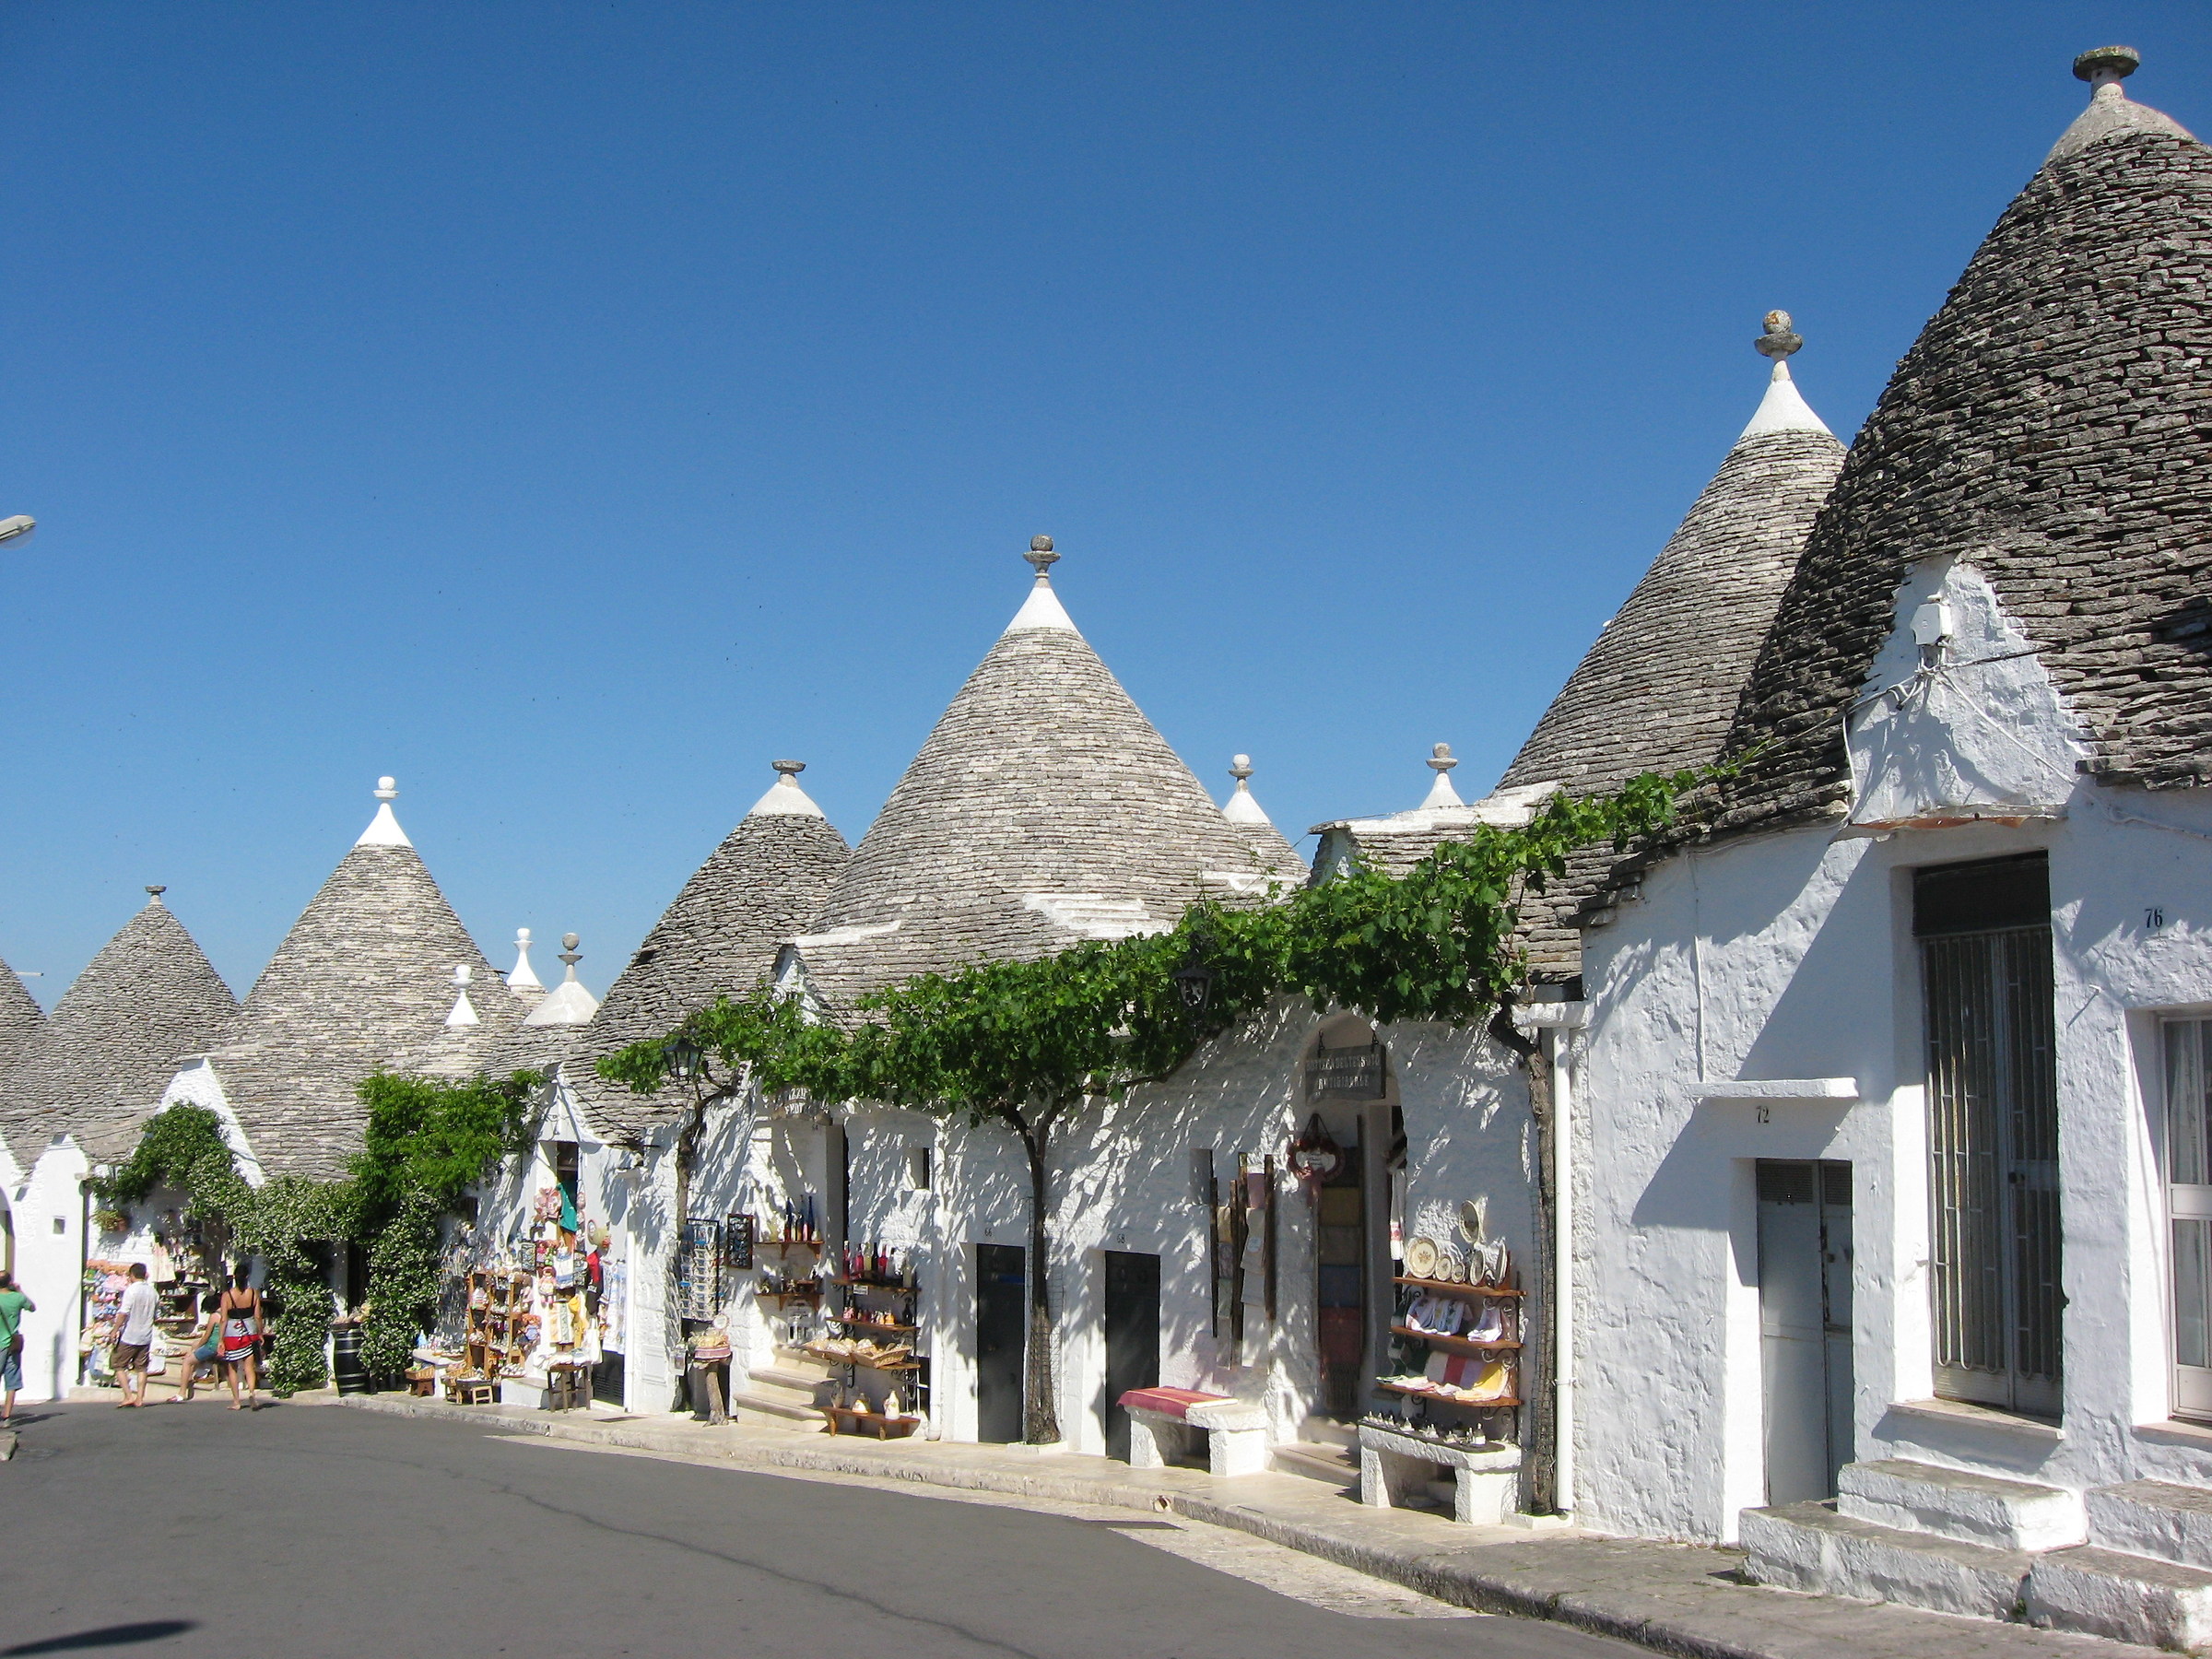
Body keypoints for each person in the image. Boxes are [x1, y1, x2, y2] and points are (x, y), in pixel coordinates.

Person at [113, 1263, 159, 1408]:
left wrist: (115, 1329)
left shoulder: (131, 1291)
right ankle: (140, 1397)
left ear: (132, 1275)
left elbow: (123, 1312)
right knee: (141, 1368)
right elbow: (156, 1316)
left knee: (118, 1364)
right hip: (145, 1335)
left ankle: (128, 1395)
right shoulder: (153, 1292)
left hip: (130, 1335)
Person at [217, 1265, 262, 1411]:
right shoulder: (254, 1294)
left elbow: (223, 1319)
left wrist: (220, 1339)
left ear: (234, 1277)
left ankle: (236, 1401)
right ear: (247, 1277)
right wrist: (260, 1333)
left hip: (232, 1334)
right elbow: (257, 1316)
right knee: (249, 1366)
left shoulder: (227, 1296)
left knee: (233, 1368)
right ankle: (251, 1392)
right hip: (250, 1331)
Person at [167, 1290, 221, 1404]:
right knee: (194, 1344)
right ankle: (191, 1373)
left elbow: (206, 1336)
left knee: (187, 1361)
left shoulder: (214, 1316)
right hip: (219, 1344)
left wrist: (196, 1349)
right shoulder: (225, 1315)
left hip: (212, 1346)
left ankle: (182, 1392)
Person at [0, 1270, 34, 1424]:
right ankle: (6, 1416)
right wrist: (19, 1290)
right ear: (9, 1282)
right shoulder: (18, 1298)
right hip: (13, 1345)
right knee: (11, 1381)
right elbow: (32, 1307)